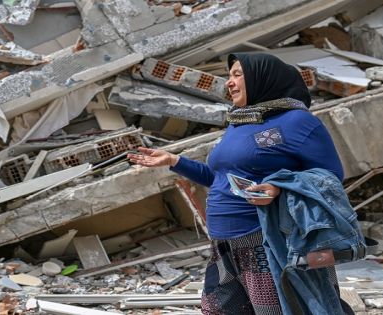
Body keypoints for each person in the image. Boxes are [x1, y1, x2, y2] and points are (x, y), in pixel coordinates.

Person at [128, 53, 344, 314]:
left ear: (262, 78)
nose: (228, 82)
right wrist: (175, 161)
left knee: (277, 310)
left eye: (237, 74)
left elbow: (331, 176)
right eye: (228, 75)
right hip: (224, 243)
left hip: (268, 242)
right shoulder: (240, 122)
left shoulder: (297, 122)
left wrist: (279, 187)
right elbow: (220, 180)